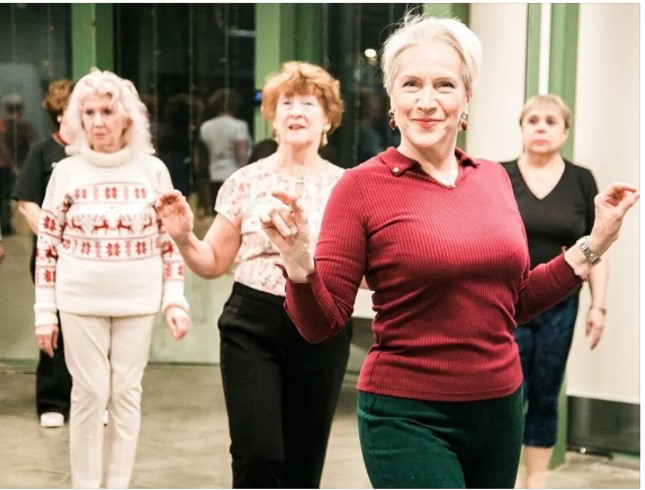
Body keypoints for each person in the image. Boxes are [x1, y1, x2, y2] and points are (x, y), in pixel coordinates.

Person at [258, 15, 639, 489]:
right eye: (411, 84)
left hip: (500, 408)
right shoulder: (360, 187)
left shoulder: (492, 178)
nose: (426, 100)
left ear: (466, 98)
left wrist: (596, 242)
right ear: (391, 98)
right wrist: (298, 260)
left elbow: (515, 302)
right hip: (406, 414)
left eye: (444, 84)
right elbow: (321, 324)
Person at [156, 61, 352, 489]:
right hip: (253, 323)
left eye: (308, 103)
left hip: (321, 322)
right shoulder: (245, 181)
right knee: (258, 454)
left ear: (328, 119)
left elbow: (364, 271)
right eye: (286, 103)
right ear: (273, 118)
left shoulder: (348, 187)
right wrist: (185, 237)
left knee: (304, 462)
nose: (296, 111)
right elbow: (213, 262)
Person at [33, 68, 190, 488]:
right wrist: (44, 312)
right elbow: (47, 244)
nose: (98, 122)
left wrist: (175, 299)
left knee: (125, 393)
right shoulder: (66, 172)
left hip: (138, 300)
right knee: (89, 394)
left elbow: (170, 240)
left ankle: (117, 483)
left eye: (107, 111)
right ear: (76, 118)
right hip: (79, 300)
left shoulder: (153, 170)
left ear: (127, 118)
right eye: (89, 113)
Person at [501, 94, 609, 489]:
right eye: (533, 120)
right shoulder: (498, 176)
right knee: (508, 392)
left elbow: (597, 248)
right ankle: (502, 477)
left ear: (565, 132)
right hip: (507, 303)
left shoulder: (581, 181)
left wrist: (599, 307)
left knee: (546, 392)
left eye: (551, 121)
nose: (541, 128)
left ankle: (535, 481)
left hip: (560, 305)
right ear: (522, 128)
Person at [12, 79, 75, 429]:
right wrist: (57, 239)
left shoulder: (94, 156)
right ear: (60, 114)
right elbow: (27, 204)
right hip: (52, 258)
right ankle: (53, 402)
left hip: (91, 260)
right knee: (54, 325)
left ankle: (92, 398)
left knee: (91, 326)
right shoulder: (42, 152)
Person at [198, 87, 251, 213]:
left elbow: (202, 155)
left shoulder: (205, 127)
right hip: (234, 175)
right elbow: (241, 154)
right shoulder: (239, 126)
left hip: (213, 175)